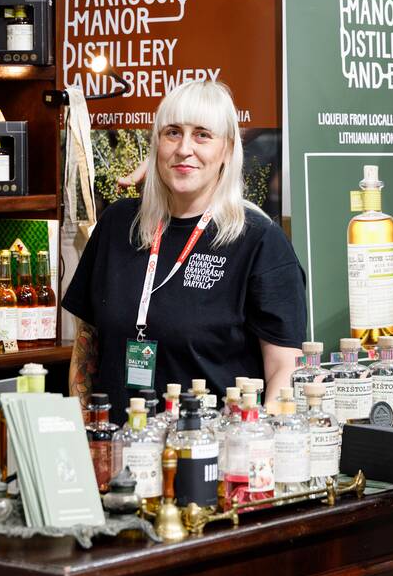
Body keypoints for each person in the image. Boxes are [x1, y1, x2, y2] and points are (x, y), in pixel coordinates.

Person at [63, 80, 306, 415]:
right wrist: (84, 430)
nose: (184, 148)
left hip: (212, 443)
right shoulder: (117, 225)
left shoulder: (259, 241)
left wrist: (258, 441)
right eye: (173, 133)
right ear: (157, 143)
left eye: (202, 135)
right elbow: (86, 347)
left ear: (227, 149)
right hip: (117, 441)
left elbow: (283, 370)